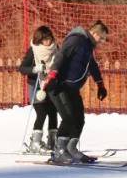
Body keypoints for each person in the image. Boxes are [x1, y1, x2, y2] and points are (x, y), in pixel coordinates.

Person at [40, 20, 109, 164]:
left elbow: (92, 65)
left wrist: (100, 84)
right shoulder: (77, 40)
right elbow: (62, 55)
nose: (102, 41)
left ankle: (71, 149)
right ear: (95, 33)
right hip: (59, 85)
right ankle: (58, 152)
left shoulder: (88, 45)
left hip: (72, 88)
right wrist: (52, 74)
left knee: (79, 119)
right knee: (69, 118)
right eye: (101, 38)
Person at [17, 25, 58, 153]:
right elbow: (22, 68)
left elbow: (61, 62)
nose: (48, 42)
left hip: (51, 84)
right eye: (44, 40)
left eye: (49, 38)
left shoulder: (56, 48)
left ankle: (53, 141)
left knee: (53, 111)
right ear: (39, 40)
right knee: (41, 112)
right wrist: (35, 69)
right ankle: (35, 142)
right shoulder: (33, 50)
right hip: (36, 85)